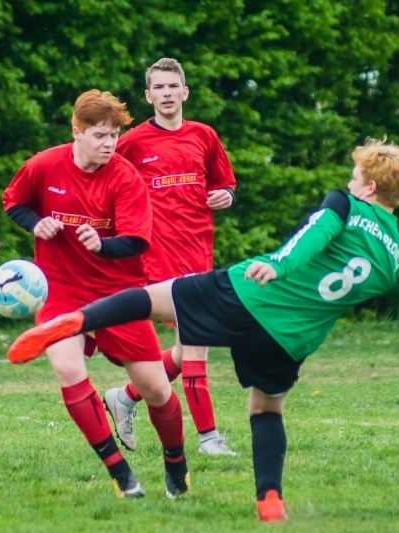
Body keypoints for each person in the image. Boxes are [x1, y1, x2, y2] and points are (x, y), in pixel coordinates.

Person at [6, 139, 399, 522]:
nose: (351, 181)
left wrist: (278, 265)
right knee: (265, 411)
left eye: (356, 176)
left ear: (370, 187)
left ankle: (76, 320)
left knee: (155, 296)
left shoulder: (344, 204)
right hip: (291, 339)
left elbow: (314, 234)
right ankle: (269, 498)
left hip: (249, 295)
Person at [2, 89, 189, 499]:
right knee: (69, 370)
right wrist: (35, 224)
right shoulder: (44, 165)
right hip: (60, 291)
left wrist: (103, 245)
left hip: (116, 294)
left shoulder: (124, 177)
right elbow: (13, 202)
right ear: (77, 131)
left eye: (114, 136)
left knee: (156, 389)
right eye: (100, 135)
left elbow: (137, 242)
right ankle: (121, 474)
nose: (109, 144)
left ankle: (176, 465)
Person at [104, 57, 238, 456]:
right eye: (158, 88)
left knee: (186, 348)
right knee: (196, 342)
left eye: (172, 86)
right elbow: (110, 186)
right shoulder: (132, 143)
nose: (166, 94)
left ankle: (125, 397)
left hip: (198, 254)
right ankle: (209, 438)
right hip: (156, 259)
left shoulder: (204, 136)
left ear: (185, 92)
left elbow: (225, 182)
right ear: (148, 96)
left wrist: (226, 195)